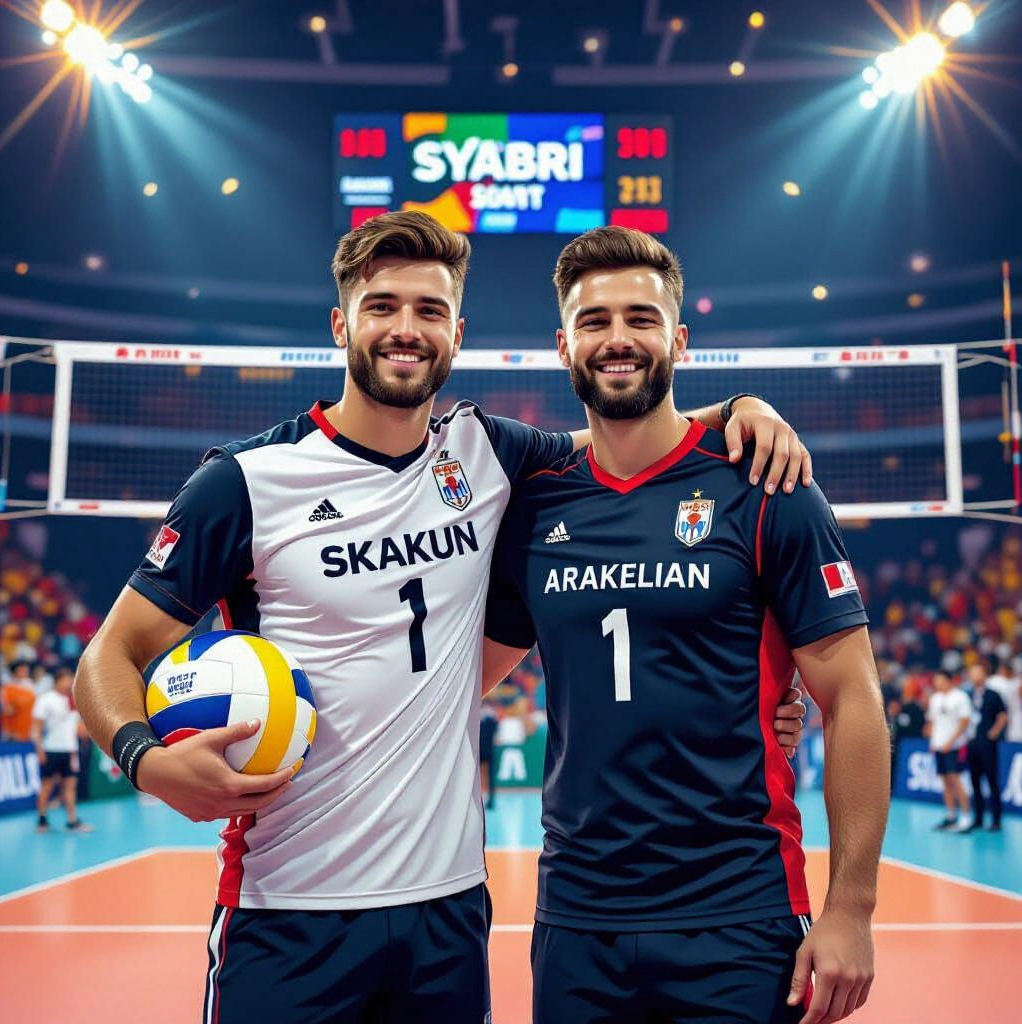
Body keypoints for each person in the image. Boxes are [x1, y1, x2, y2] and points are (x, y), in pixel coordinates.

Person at [74, 211, 811, 1024]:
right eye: (382, 305)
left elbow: (626, 425)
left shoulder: (488, 454)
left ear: (455, 331)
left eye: (429, 310)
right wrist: (144, 760)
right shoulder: (248, 481)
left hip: (448, 912)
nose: (404, 329)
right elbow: (108, 658)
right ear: (341, 323)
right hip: (286, 905)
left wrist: (741, 408)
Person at [482, 226, 890, 1024]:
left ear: (680, 337)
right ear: (564, 344)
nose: (619, 338)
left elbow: (854, 698)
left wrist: (851, 910)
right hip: (578, 918)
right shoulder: (533, 503)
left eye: (641, 317)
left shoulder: (766, 485)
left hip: (738, 913)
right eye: (595, 322)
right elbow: (456, 683)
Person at [32, 666, 93, 833]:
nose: (69, 683)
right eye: (66, 680)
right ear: (57, 681)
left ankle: (72, 822)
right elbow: (36, 729)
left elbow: (78, 727)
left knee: (70, 786)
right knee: (47, 786)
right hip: (51, 749)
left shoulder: (73, 700)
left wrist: (85, 733)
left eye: (71, 680)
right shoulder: (45, 700)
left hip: (70, 750)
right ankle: (42, 820)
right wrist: (39, 750)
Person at [963, 661, 1008, 832]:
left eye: (976, 672)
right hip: (972, 742)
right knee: (974, 781)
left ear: (984, 675)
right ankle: (979, 818)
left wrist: (994, 732)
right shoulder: (968, 695)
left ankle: (996, 820)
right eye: (971, 673)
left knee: (991, 781)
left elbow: (1003, 715)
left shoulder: (993, 695)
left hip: (987, 744)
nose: (973, 676)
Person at [925, 671, 972, 831]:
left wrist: (950, 742)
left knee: (956, 781)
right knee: (945, 782)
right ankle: (951, 816)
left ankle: (966, 817)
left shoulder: (960, 697)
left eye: (939, 680)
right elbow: (933, 722)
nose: (936, 683)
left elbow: (965, 722)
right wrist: (933, 742)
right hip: (939, 746)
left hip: (954, 747)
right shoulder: (935, 699)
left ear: (948, 680)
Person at [987, 655, 1022, 743]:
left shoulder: (1018, 683)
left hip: (1016, 715)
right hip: (1000, 715)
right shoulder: (995, 681)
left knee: (1015, 739)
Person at [1, 659, 36, 742]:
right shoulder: (8, 689)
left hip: (29, 731)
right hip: (14, 733)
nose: (25, 672)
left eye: (26, 669)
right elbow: (7, 711)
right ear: (14, 672)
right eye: (21, 670)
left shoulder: (32, 687)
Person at [479, 698, 499, 810]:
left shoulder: (485, 717)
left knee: (482, 776)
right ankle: (490, 800)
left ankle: (488, 800)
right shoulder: (490, 718)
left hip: (482, 750)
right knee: (488, 777)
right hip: (487, 750)